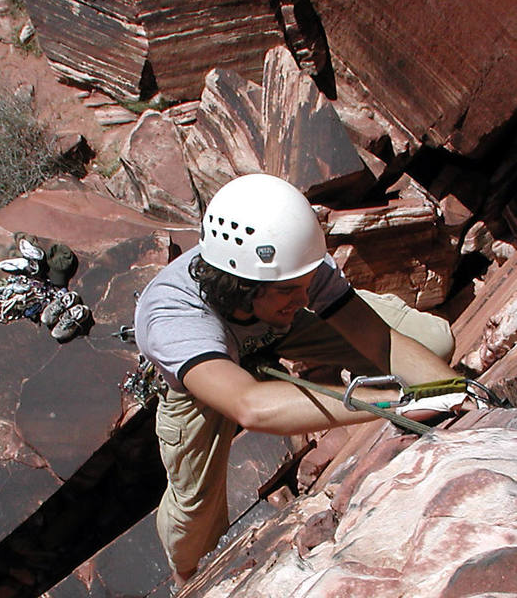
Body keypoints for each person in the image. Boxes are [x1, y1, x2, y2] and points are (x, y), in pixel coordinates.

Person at [134, 173, 458, 590]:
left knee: (433, 342)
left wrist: (451, 391)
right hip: (204, 379)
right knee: (195, 523)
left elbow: (377, 338)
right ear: (241, 286)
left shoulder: (293, 267)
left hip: (276, 326)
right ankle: (188, 579)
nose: (306, 298)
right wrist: (394, 402)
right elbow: (248, 405)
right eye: (291, 290)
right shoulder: (173, 317)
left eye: (307, 285)